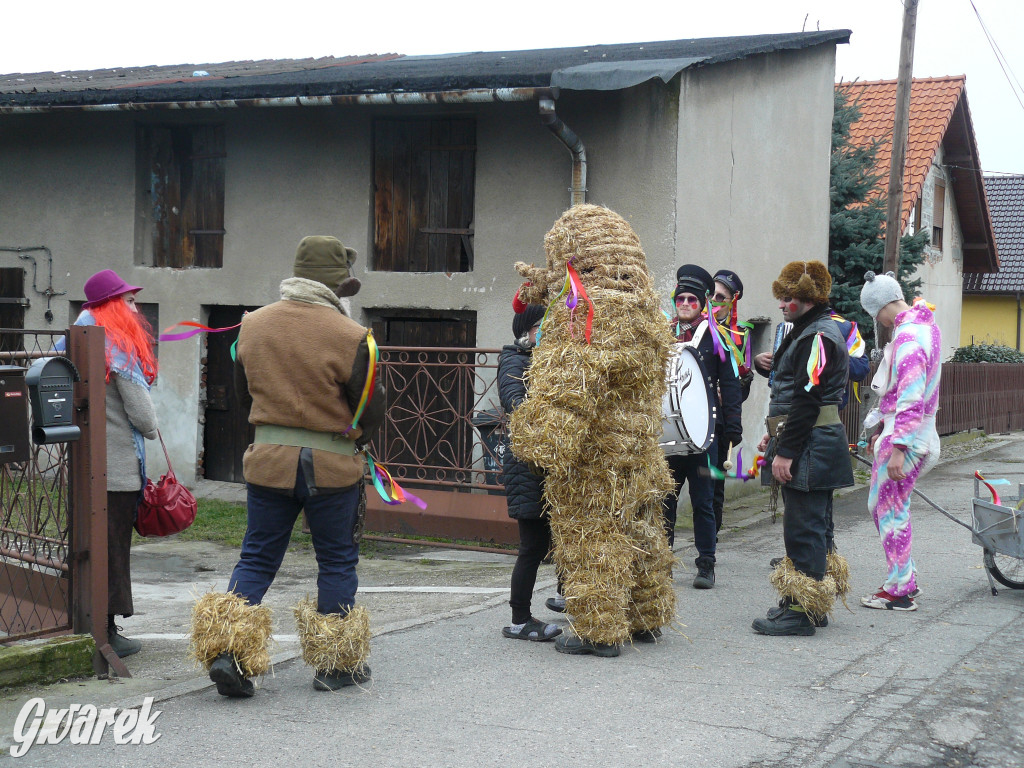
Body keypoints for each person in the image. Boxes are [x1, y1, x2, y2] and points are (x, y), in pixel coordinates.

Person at [188, 236, 385, 697]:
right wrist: (357, 440)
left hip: (269, 463)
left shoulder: (252, 324)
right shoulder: (352, 335)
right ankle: (335, 667)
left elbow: (242, 396)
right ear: (338, 285)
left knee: (256, 557)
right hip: (332, 466)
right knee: (336, 560)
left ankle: (228, 654)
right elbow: (370, 409)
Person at [59, 270, 159, 659]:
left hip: (81, 464)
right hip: (116, 471)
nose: (136, 307)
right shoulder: (118, 346)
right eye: (129, 300)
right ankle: (107, 630)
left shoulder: (69, 343)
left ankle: (84, 622)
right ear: (111, 306)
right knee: (113, 549)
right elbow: (145, 420)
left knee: (86, 545)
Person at [751, 261, 853, 636]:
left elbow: (809, 401)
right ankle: (812, 603)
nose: (780, 304)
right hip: (808, 442)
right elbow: (795, 396)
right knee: (815, 525)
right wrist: (775, 436)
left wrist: (786, 451)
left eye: (788, 298)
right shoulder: (810, 331)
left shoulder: (817, 337)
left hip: (811, 447)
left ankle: (802, 611)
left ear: (807, 299)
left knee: (805, 527)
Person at [858, 271, 941, 611]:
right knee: (887, 507)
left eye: (875, 314)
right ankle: (904, 579)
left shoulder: (907, 338)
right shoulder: (927, 328)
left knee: (889, 510)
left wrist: (898, 448)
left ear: (883, 306)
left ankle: (900, 591)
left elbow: (910, 396)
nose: (877, 322)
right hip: (914, 434)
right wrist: (879, 427)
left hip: (908, 439)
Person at [662, 264, 742, 589]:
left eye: (691, 299)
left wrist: (733, 428)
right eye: (680, 297)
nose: (684, 303)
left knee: (703, 500)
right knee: (664, 498)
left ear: (703, 303)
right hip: (668, 433)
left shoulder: (717, 338)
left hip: (706, 435)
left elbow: (731, 384)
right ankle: (660, 563)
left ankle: (706, 564)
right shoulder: (663, 335)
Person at [498, 302, 562, 642]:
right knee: (533, 545)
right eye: (544, 326)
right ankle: (520, 620)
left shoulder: (557, 361)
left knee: (568, 538)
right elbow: (515, 402)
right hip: (528, 466)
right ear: (528, 332)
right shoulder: (514, 359)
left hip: (556, 464)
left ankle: (572, 601)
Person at [708, 269, 754, 533]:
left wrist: (733, 393)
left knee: (715, 481)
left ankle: (710, 542)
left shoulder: (741, 335)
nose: (714, 300)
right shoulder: (697, 325)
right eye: (711, 294)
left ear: (732, 301)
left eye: (720, 296)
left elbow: (744, 382)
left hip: (721, 419)